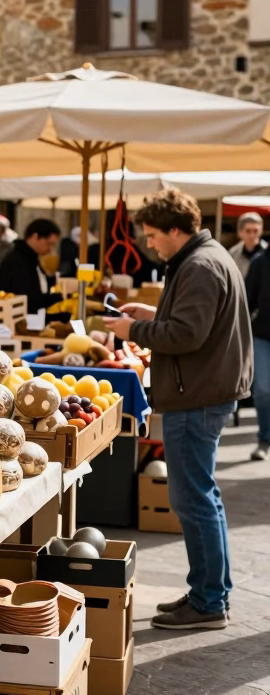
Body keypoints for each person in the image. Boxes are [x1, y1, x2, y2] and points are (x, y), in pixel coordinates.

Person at [103, 189, 251, 631]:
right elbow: (194, 320)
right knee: (203, 496)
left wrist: (136, 328)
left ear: (174, 230)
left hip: (198, 395)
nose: (149, 244)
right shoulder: (205, 257)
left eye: (152, 235)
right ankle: (210, 592)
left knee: (193, 499)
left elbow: (187, 334)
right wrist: (154, 311)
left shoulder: (202, 265)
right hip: (205, 390)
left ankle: (208, 603)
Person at [0, 219, 63, 314]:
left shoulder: (31, 257)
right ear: (35, 237)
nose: (50, 249)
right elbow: (29, 298)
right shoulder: (18, 260)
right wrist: (60, 296)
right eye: (49, 243)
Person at [245, 247, 270, 462]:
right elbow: (247, 301)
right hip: (262, 335)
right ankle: (264, 439)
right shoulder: (260, 261)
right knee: (262, 390)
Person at [229, 211, 266, 280]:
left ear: (261, 231)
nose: (252, 235)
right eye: (248, 231)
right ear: (240, 232)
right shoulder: (233, 254)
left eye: (255, 231)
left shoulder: (267, 252)